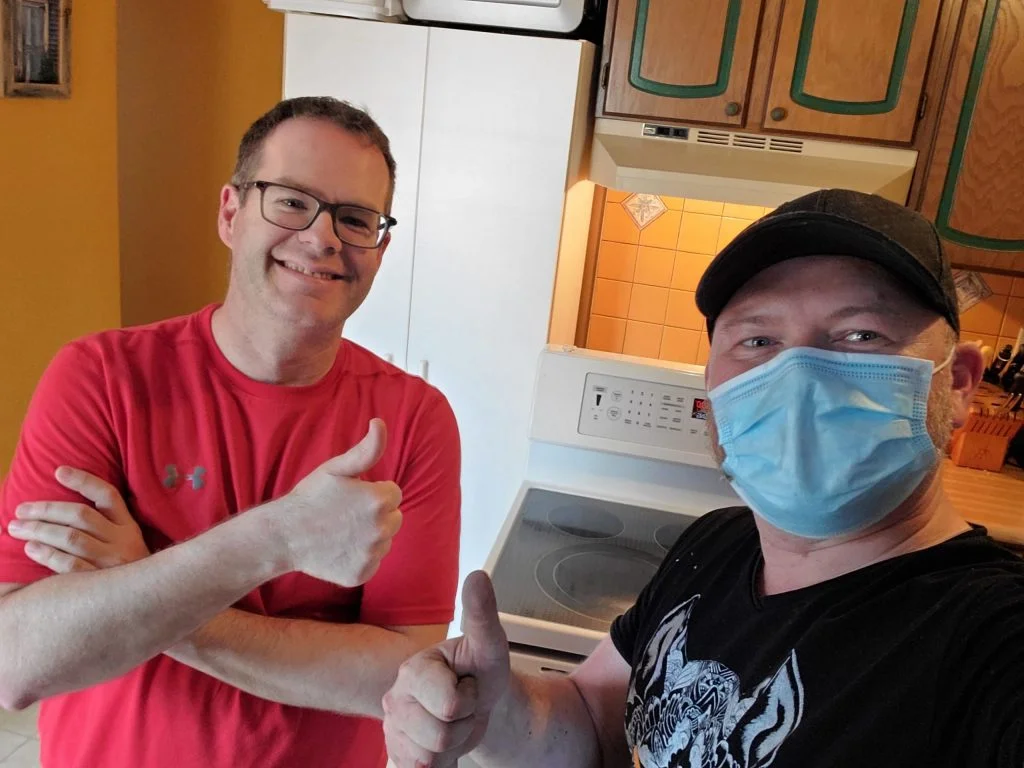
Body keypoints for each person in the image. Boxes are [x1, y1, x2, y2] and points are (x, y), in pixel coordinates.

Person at [380, 189, 1024, 767]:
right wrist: (497, 713)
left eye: (860, 334)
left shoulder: (989, 641)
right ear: (712, 385)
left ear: (959, 384)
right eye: (758, 341)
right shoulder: (715, 545)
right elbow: (596, 725)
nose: (798, 376)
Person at [0, 96, 462, 767]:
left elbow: (397, 680)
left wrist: (142, 587)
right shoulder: (99, 379)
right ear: (230, 213)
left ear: (380, 247)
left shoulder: (415, 420)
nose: (323, 238)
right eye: (292, 201)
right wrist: (277, 539)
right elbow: (16, 660)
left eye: (356, 219)